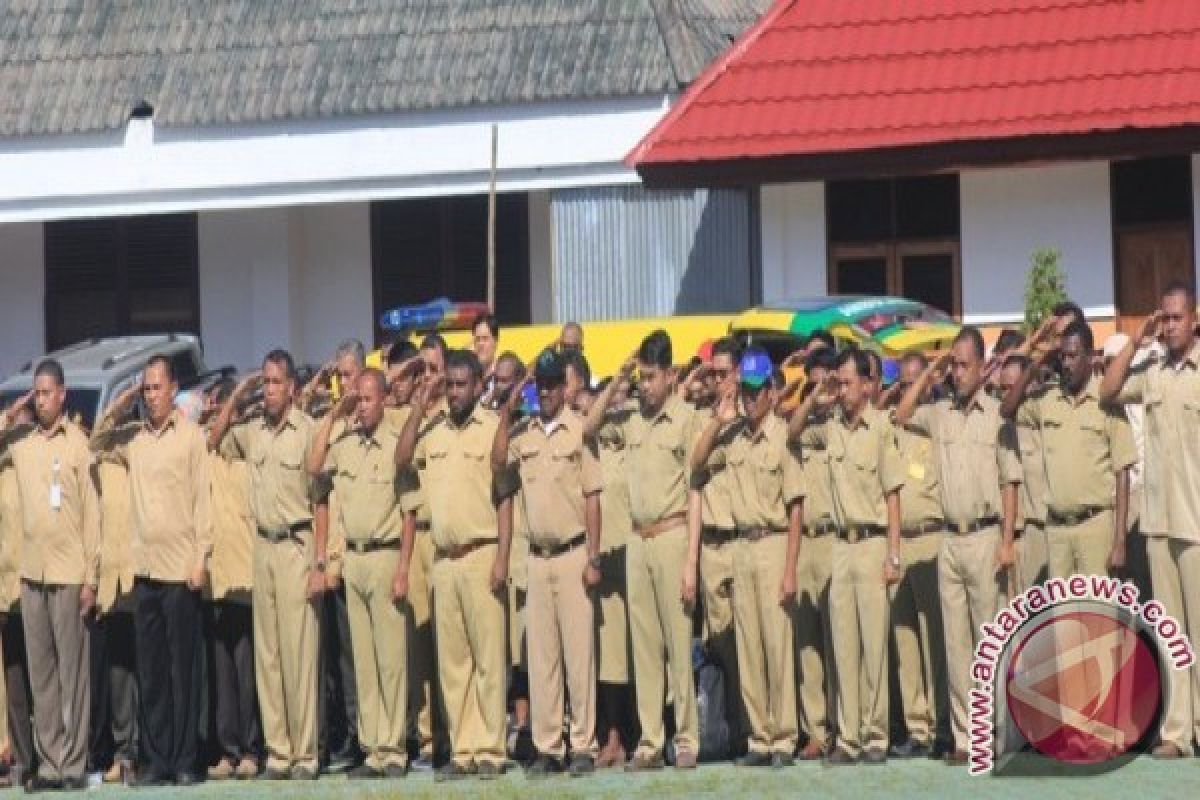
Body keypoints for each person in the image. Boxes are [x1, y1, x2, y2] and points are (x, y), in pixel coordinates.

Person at [894, 328, 1021, 766]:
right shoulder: (939, 413)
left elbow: (1011, 481)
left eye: (965, 364)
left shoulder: (996, 415)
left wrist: (1007, 541)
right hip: (949, 538)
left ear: (984, 366)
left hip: (986, 536)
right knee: (956, 646)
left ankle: (996, 733)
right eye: (954, 364)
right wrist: (930, 369)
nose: (958, 372)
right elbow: (900, 412)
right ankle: (966, 739)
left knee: (990, 639)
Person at [91, 355, 213, 787]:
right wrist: (121, 402)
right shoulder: (134, 440)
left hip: (180, 570)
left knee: (184, 671)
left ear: (173, 388)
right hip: (145, 571)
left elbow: (203, 501)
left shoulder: (192, 437)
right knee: (154, 672)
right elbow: (96, 441)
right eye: (145, 389)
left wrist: (200, 559)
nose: (151, 396)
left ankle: (184, 760)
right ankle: (158, 759)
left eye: (156, 388)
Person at [585, 330, 702, 771]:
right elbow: (590, 426)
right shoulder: (630, 415)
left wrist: (691, 561)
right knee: (645, 647)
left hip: (672, 535)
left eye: (652, 377)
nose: (646, 385)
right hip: (636, 539)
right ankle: (651, 740)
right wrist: (619, 376)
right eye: (643, 376)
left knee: (677, 641)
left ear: (671, 375)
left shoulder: (687, 419)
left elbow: (696, 493)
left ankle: (686, 737)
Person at [396, 349, 514, 781]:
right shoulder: (434, 429)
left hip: (482, 553)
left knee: (487, 661)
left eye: (463, 384)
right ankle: (462, 751)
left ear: (479, 385)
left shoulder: (491, 430)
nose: (455, 392)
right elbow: (402, 459)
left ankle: (490, 749)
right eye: (450, 384)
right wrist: (419, 405)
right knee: (453, 664)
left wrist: (502, 555)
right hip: (443, 560)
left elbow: (504, 495)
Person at [208, 351, 325, 781]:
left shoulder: (308, 431)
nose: (270, 390)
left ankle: (305, 752)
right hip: (263, 547)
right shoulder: (253, 432)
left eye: (276, 383)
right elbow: (215, 437)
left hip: (296, 543)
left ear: (292, 387)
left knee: (299, 655)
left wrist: (319, 562)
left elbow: (322, 501)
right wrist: (240, 393)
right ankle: (279, 751)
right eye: (266, 383)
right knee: (269, 656)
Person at [1100, 281, 1200, 759]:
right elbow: (1109, 389)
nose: (1171, 325)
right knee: (1173, 634)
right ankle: (1178, 732)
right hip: (1159, 524)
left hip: (1197, 522)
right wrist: (1138, 340)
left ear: (1195, 319)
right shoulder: (1154, 370)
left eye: (1178, 317)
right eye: (1166, 317)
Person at [692, 348, 803, 768]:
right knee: (749, 647)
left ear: (772, 392)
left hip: (773, 543)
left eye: (758, 391)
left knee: (777, 644)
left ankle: (784, 737)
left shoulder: (783, 436)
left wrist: (791, 568)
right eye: (746, 391)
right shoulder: (733, 434)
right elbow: (697, 462)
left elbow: (796, 508)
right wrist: (719, 420)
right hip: (740, 546)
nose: (751, 399)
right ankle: (760, 737)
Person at [495, 349, 603, 777]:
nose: (544, 392)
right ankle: (548, 745)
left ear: (564, 388)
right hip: (537, 558)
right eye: (538, 385)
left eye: (550, 385)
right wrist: (509, 402)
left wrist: (594, 556)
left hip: (574, 552)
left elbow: (594, 498)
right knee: (542, 661)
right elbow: (497, 459)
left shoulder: (579, 432)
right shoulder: (524, 433)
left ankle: (582, 744)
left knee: (579, 657)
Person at [797, 349, 903, 765]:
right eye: (836, 384)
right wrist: (815, 394)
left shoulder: (880, 429)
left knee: (873, 643)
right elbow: (792, 429)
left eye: (845, 383)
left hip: (874, 540)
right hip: (841, 545)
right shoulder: (830, 429)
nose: (840, 391)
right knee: (843, 644)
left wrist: (894, 555)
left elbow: (894, 495)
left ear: (865, 384)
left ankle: (876, 736)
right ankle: (849, 737)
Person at [0, 362, 101, 791]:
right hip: (32, 572)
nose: (40, 400)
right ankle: (51, 763)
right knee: (41, 674)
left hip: (68, 570)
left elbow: (94, 516)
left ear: (62, 394)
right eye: (35, 393)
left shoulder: (78, 444)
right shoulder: (20, 445)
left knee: (71, 674)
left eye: (47, 392)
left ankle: (74, 764)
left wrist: (91, 577)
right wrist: (7, 417)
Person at [310, 369, 414, 779]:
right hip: (354, 558)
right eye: (360, 399)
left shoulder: (396, 446)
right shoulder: (346, 444)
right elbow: (314, 465)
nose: (364, 405)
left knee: (391, 661)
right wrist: (337, 413)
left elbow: (409, 513)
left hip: (386, 555)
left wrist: (404, 567)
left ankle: (394, 748)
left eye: (369, 399)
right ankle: (372, 749)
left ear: (385, 399)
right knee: (364, 662)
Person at [879, 352, 949, 759]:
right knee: (905, 638)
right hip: (897, 542)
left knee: (933, 638)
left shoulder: (935, 424)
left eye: (916, 381)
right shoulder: (892, 428)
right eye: (904, 383)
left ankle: (942, 723)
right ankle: (917, 726)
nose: (910, 389)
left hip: (929, 539)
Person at [687, 337, 749, 754]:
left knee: (751, 639)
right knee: (721, 642)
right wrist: (717, 420)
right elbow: (695, 466)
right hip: (712, 545)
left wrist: (735, 417)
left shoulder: (755, 418)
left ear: (739, 374)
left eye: (724, 373)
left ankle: (756, 729)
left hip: (744, 542)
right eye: (712, 374)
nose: (717, 381)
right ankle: (732, 727)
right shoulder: (702, 420)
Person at [574, 381, 634, 768]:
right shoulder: (586, 448)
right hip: (599, 563)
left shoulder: (631, 436)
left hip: (634, 557)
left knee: (640, 655)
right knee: (609, 660)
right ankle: (613, 736)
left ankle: (643, 734)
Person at [203, 381, 262, 781]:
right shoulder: (206, 458)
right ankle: (228, 749)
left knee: (247, 670)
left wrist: (238, 400)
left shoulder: (249, 460)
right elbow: (211, 437)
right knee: (221, 671)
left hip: (246, 577)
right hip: (215, 580)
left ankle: (253, 750)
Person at [784, 346, 839, 760]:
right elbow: (792, 427)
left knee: (839, 640)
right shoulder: (799, 428)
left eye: (828, 380)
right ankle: (815, 730)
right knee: (808, 645)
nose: (823, 391)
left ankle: (844, 726)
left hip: (838, 540)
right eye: (815, 380)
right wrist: (811, 391)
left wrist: (832, 396)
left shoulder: (842, 425)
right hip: (804, 544)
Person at [90, 406, 139, 787]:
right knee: (119, 675)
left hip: (144, 573)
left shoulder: (144, 450)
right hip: (112, 580)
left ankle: (146, 753)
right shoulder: (104, 459)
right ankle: (123, 753)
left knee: (151, 671)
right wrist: (121, 400)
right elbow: (97, 438)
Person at [994, 354, 1049, 594]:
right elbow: (1009, 485)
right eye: (1002, 388)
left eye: (1012, 387)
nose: (1006, 394)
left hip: (1057, 528)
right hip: (1027, 533)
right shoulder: (1005, 430)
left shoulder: (1048, 416)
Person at [0, 402, 33, 790]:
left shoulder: (34, 471)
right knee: (14, 684)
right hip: (7, 590)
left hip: (38, 584)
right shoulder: (4, 470)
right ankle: (19, 757)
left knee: (42, 679)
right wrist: (12, 413)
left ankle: (45, 757)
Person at [473, 314, 500, 381]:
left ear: (496, 341)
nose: (480, 344)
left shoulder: (503, 375)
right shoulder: (470, 376)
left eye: (485, 338)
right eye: (477, 339)